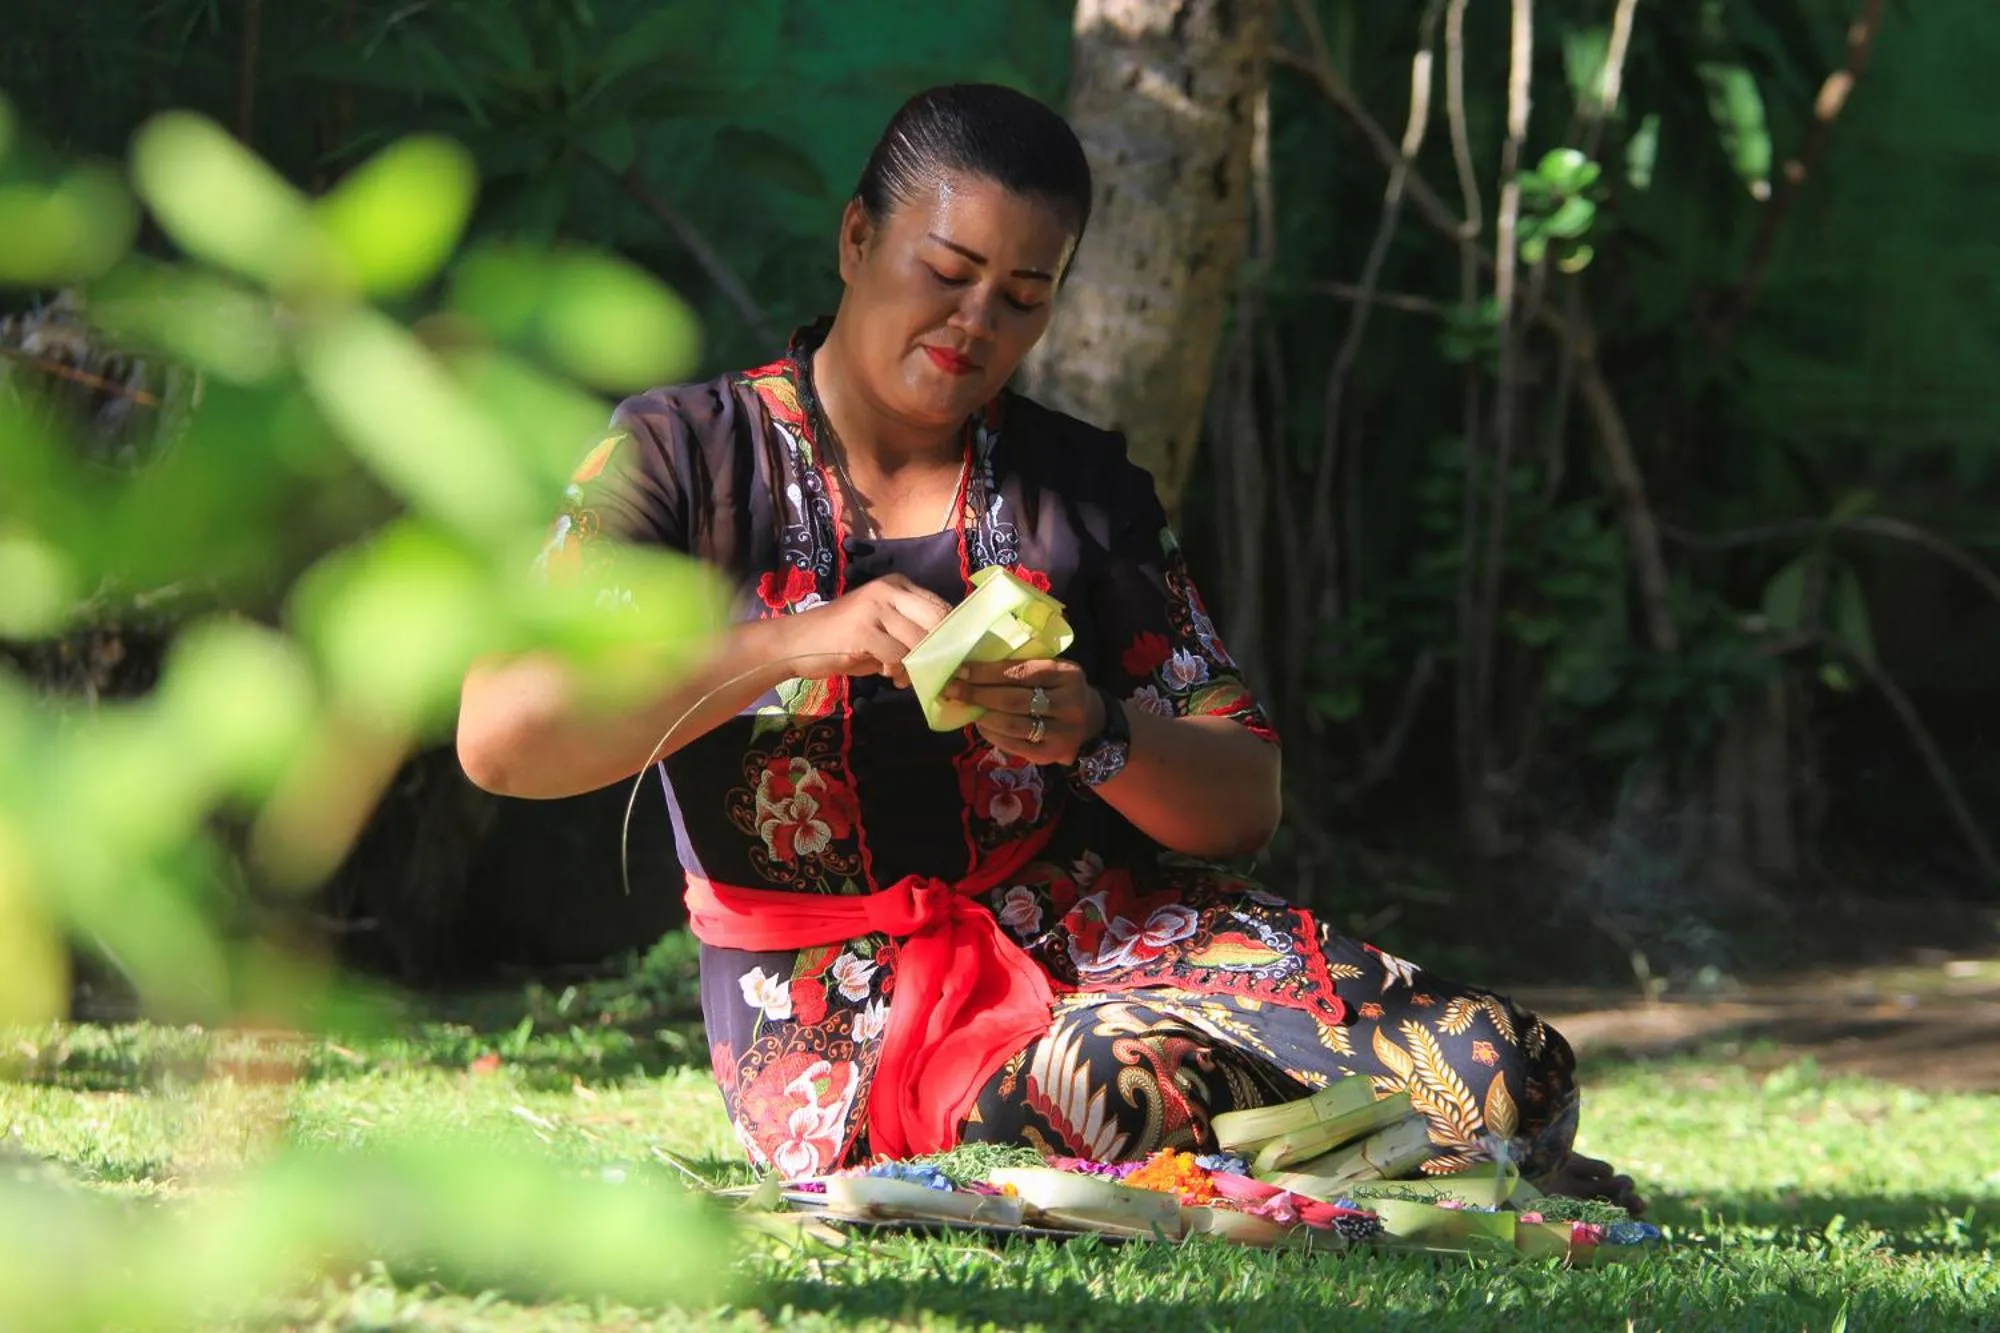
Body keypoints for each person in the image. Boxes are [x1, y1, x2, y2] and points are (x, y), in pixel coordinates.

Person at [457, 84, 1639, 1211]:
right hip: (845, 1005)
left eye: (1023, 296)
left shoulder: (1075, 487)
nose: (976, 323)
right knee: (1107, 1084)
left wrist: (1096, 732)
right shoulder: (681, 458)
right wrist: (799, 637)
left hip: (1112, 937)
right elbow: (502, 735)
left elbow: (1241, 803)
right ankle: (1381, 1153)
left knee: (1503, 1060)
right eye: (947, 273)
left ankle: (1389, 1145)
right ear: (857, 238)